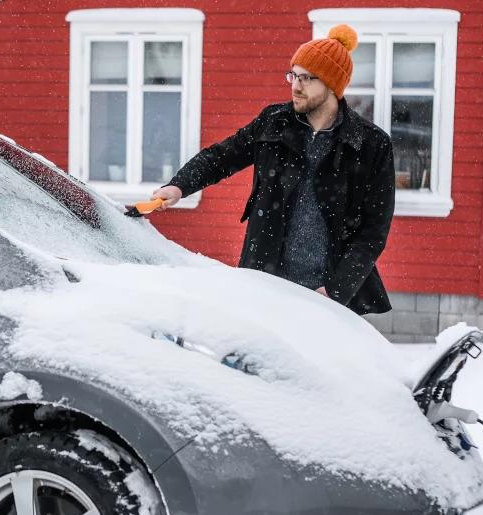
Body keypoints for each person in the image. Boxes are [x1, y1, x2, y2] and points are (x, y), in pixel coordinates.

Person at [150, 24, 395, 315]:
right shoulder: (275, 122)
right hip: (266, 284)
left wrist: (336, 290)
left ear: (331, 85)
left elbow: (373, 231)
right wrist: (178, 186)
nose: (295, 85)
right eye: (293, 74)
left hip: (328, 296)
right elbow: (222, 156)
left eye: (307, 78)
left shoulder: (370, 144)